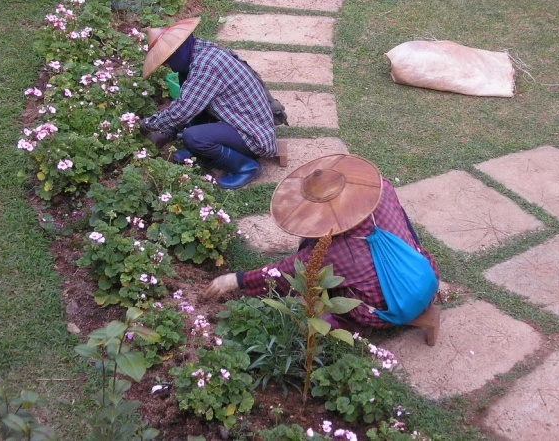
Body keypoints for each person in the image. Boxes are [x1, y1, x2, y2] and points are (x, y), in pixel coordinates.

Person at [204, 154, 440, 332]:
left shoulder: (334, 251)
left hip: (386, 309)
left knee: (324, 300)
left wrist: (237, 279)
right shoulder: (383, 187)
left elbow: (286, 272)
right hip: (426, 277)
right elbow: (408, 228)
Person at [138, 17, 277, 189]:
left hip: (253, 133)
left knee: (193, 137)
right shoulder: (198, 52)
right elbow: (191, 102)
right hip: (237, 119)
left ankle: (245, 166)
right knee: (192, 99)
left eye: (167, 60)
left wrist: (148, 125)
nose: (168, 65)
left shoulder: (206, 65)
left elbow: (183, 110)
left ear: (177, 52)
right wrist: (168, 132)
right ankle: (201, 152)